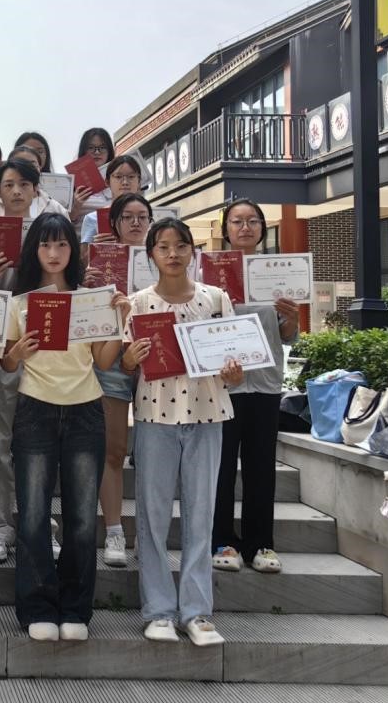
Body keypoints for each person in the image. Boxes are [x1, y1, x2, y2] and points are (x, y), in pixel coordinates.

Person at [4, 213, 128, 641]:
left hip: (85, 410)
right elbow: (6, 363)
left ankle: (75, 607)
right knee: (34, 515)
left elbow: (104, 360)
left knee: (80, 517)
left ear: (74, 251)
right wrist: (18, 353)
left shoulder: (89, 300)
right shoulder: (19, 303)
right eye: (45, 244)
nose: (54, 253)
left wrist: (120, 320)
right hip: (34, 409)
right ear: (33, 250)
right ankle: (37, 606)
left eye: (62, 245)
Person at [122, 218, 242, 647]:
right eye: (163, 246)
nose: (172, 254)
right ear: (151, 254)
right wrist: (131, 358)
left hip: (208, 414)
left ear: (193, 251)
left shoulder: (216, 299)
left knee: (200, 514)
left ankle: (196, 611)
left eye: (181, 245)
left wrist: (235, 372)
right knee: (152, 516)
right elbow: (124, 364)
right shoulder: (136, 304)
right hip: (155, 416)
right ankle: (158, 610)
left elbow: (235, 367)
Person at [212, 198, 298, 575]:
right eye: (237, 221)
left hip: (264, 384)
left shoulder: (277, 273)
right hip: (222, 386)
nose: (245, 227)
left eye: (252, 221)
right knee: (221, 467)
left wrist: (292, 318)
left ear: (263, 228)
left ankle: (261, 543)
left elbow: (287, 334)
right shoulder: (210, 274)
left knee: (261, 466)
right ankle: (223, 541)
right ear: (226, 230)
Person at [0, 158, 39, 565]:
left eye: (24, 184)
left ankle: (37, 525)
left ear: (36, 190)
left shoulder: (48, 234)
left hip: (41, 350)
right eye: (9, 184)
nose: (17, 191)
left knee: (38, 444)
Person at [97, 191, 153, 568]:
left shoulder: (163, 256)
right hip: (113, 359)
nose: (135, 222)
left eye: (142, 216)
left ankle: (149, 534)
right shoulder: (101, 262)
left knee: (151, 454)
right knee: (114, 451)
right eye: (127, 217)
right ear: (114, 223)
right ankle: (114, 531)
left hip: (156, 360)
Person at [80, 155, 144, 262]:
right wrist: (96, 248)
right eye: (118, 177)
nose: (125, 182)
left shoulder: (150, 217)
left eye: (131, 177)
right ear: (107, 182)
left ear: (139, 182)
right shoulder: (93, 218)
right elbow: (83, 261)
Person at [70, 127, 115, 221]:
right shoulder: (72, 182)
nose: (97, 152)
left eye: (102, 148)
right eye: (91, 148)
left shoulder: (119, 177)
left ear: (109, 151)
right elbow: (63, 222)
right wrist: (76, 207)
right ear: (84, 151)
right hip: (81, 230)